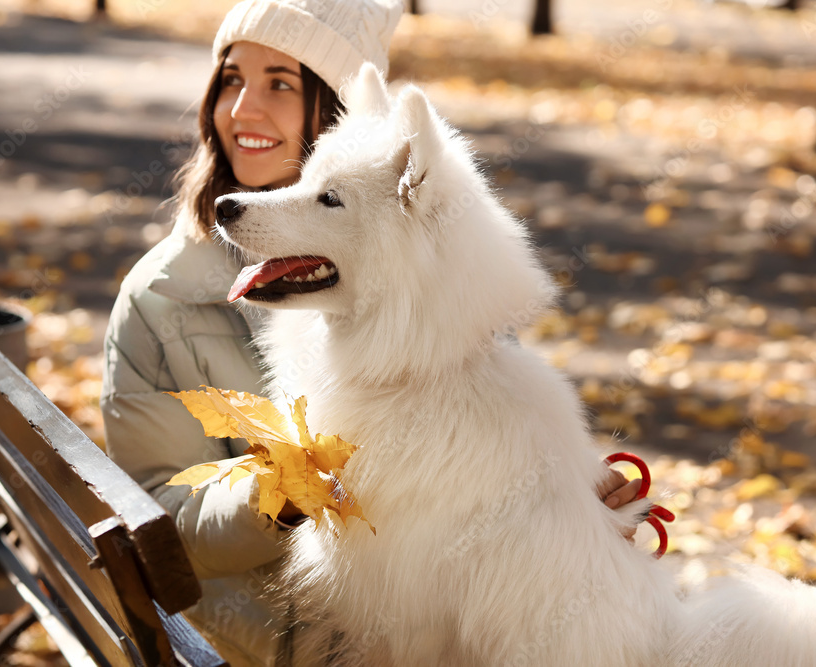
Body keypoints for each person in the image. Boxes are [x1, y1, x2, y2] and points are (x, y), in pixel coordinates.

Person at [100, 1, 641, 664]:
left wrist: (568, 501)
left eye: (280, 83)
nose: (242, 110)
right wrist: (280, 490)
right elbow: (160, 526)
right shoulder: (160, 300)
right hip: (268, 642)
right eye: (230, 78)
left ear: (335, 113)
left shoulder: (428, 279)